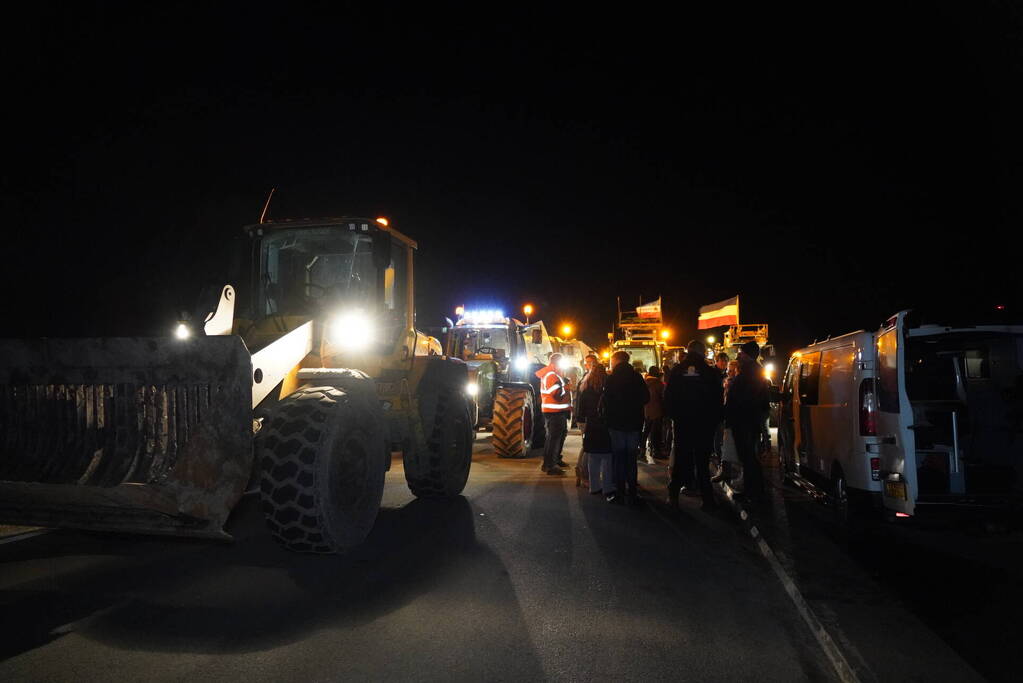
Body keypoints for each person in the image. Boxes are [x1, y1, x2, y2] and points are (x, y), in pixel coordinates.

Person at [663, 340, 724, 510]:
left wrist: (674, 417)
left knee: (681, 460)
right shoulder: (709, 372)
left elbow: (668, 396)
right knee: (702, 463)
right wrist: (715, 420)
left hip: (683, 423)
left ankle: (673, 496)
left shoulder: (677, 370)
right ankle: (707, 499)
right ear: (702, 352)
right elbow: (717, 399)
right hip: (704, 424)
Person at [726, 341, 771, 503]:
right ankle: (752, 490)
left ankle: (753, 493)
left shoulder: (749, 372)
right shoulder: (753, 371)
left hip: (744, 421)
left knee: (748, 457)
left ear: (746, 354)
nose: (739, 355)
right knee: (748, 457)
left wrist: (731, 414)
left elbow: (742, 398)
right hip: (749, 420)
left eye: (741, 352)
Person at [602, 350, 649, 504]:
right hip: (634, 423)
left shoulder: (612, 378)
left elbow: (606, 401)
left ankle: (620, 492)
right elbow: (646, 398)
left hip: (616, 424)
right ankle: (633, 492)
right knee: (631, 459)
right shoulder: (637, 377)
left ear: (616, 360)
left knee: (618, 458)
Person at [576, 356, 613, 495]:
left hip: (591, 425)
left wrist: (581, 421)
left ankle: (594, 486)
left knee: (592, 456)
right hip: (605, 425)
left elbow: (581, 408)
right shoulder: (608, 388)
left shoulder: (586, 388)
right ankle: (607, 487)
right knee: (607, 457)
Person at [536, 352, 572, 475]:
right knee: (553, 440)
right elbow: (557, 395)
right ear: (557, 362)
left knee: (557, 437)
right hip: (554, 412)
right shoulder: (551, 375)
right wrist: (566, 387)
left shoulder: (554, 374)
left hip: (557, 412)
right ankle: (550, 466)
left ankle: (555, 460)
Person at [712, 359, 740, 484]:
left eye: (732, 370)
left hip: (733, 418)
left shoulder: (737, 384)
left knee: (732, 445)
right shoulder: (726, 382)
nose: (729, 372)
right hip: (724, 416)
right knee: (723, 444)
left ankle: (731, 472)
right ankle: (724, 469)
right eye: (728, 370)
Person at [641, 365, 665, 463]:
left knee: (646, 430)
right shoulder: (658, 383)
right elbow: (663, 396)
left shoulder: (645, 382)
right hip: (657, 410)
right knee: (656, 432)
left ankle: (642, 449)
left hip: (646, 410)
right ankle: (656, 451)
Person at [712, 352, 730, 461]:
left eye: (726, 361)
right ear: (716, 361)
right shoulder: (712, 374)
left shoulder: (726, 375)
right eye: (722, 361)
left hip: (723, 409)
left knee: (721, 435)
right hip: (714, 409)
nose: (724, 363)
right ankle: (719, 458)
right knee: (717, 435)